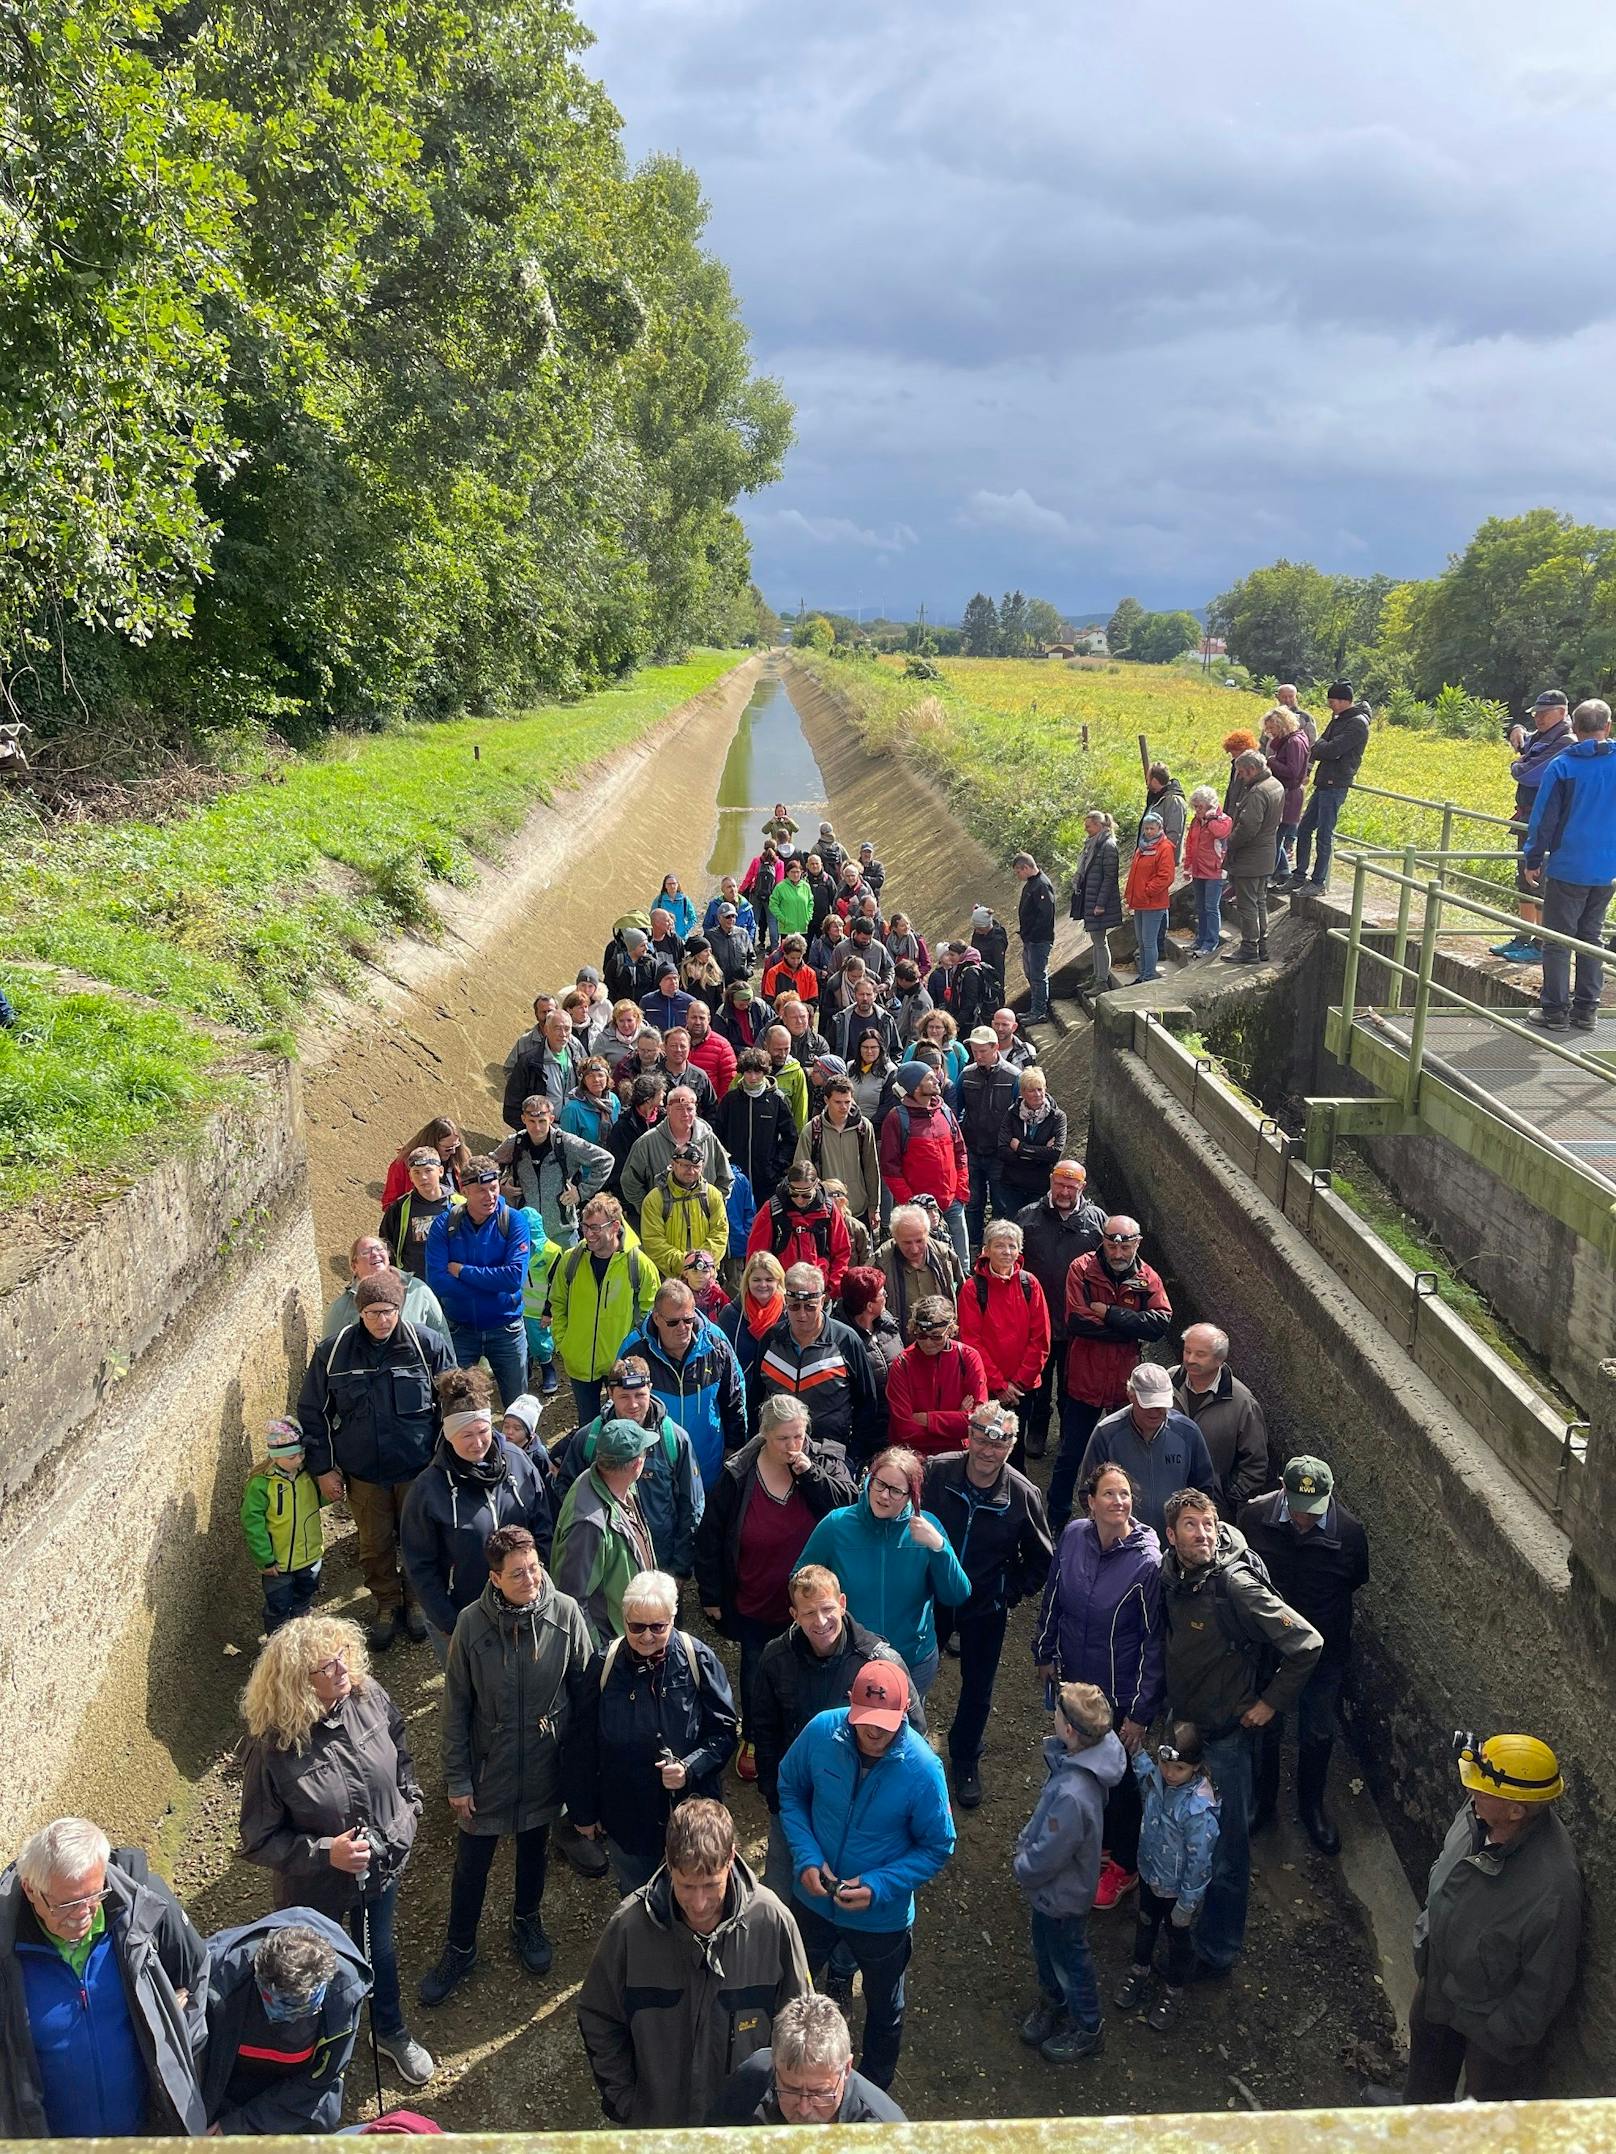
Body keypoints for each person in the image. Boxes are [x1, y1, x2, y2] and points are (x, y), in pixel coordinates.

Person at [238, 1617, 433, 2087]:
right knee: (316, 1970)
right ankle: (313, 2053)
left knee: (377, 1953)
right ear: (295, 1684)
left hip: (379, 1872)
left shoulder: (368, 1696)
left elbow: (402, 1760)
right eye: (324, 1665)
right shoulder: (272, 1747)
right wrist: (327, 1853)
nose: (341, 1668)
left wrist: (407, 1813)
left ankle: (389, 2030)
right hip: (313, 1891)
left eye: (342, 1654)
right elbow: (258, 1840)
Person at [415, 1525, 595, 2004]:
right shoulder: (471, 1626)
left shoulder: (566, 1614)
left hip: (543, 1764)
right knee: (472, 1865)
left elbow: (584, 1694)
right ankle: (460, 1946)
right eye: (517, 1574)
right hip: (488, 1769)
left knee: (534, 1851)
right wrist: (458, 1778)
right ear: (494, 1578)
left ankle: (526, 1922)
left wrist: (580, 1775)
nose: (531, 1579)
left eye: (534, 1567)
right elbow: (455, 1708)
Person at [1159, 1488, 1323, 1975]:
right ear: (1171, 1535)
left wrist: (1270, 1703)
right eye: (1191, 1525)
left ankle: (1218, 1950)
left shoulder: (1237, 1586)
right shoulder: (1171, 1575)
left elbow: (1308, 1644)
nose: (1203, 1533)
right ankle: (1177, 1914)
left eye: (1208, 1523)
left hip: (1226, 1737)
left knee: (1227, 1851)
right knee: (1176, 1825)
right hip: (1184, 1725)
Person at [577, 1799, 808, 2128]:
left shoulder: (773, 1923)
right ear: (669, 1864)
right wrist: (625, 2101)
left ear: (730, 1859)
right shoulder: (629, 1928)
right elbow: (598, 2016)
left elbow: (798, 2032)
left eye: (711, 1885)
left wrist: (774, 2109)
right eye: (687, 1886)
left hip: (744, 2132)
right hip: (658, 2129)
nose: (699, 1905)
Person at [778, 1661, 954, 2089]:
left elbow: (938, 1844)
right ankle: (785, 2077)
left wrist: (878, 1886)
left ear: (906, 1709)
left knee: (884, 2007)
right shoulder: (822, 1732)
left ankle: (873, 2092)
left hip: (881, 1919)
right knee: (786, 1991)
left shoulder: (923, 1769)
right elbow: (789, 1787)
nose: (874, 1733)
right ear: (850, 1705)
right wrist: (806, 1856)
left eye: (886, 1724)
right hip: (814, 1902)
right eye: (865, 1721)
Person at [1399, 1731, 1581, 2103]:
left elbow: (1544, 1988)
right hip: (1439, 1981)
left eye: (1482, 1789)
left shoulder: (1553, 1889)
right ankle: (1415, 2120)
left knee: (1483, 2113)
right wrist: (1427, 1939)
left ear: (1516, 1811)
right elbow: (1444, 1872)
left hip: (1489, 2027)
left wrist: (1498, 2033)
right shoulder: (1476, 1812)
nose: (1470, 1791)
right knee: (1425, 2074)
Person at [0, 1818, 209, 2137]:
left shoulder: (144, 1907)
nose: (83, 1914)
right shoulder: (7, 1953)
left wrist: (175, 2046)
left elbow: (195, 1977)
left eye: (93, 1896)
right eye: (67, 1904)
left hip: (148, 2133)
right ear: (31, 1888)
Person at [696, 1395, 857, 1772]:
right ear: (764, 1435)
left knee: (813, 1668)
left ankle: (807, 1739)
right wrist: (712, 1594)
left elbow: (847, 1507)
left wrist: (810, 1474)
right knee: (757, 1669)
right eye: (783, 1438)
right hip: (755, 1596)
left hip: (810, 1603)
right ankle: (754, 1736)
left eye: (799, 1436)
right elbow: (711, 1535)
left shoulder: (822, 1460)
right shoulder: (738, 1474)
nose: (793, 1446)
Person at [298, 1269, 455, 1650]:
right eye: (372, 1313)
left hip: (419, 1471)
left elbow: (453, 1404)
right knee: (374, 1544)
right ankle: (386, 1602)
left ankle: (417, 1599)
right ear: (359, 1313)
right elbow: (312, 1412)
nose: (381, 1320)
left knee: (423, 1538)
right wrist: (322, 1468)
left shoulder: (427, 1346)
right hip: (364, 1475)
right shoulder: (333, 1353)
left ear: (400, 1309)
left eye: (388, 1311)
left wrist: (447, 1464)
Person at [1034, 1460, 1164, 1912]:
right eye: (1108, 1494)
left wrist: (1140, 1713)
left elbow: (1154, 1642)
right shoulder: (1073, 1537)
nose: (1118, 1502)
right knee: (1079, 1769)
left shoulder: (1147, 1563)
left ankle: (1123, 1865)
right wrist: (1045, 1651)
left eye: (1125, 1494)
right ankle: (1094, 1843)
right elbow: (1054, 1596)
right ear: (1090, 1502)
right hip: (1076, 1685)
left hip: (1118, 1696)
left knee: (1122, 1782)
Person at [750, 1564, 923, 1897]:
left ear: (842, 1603)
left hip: (860, 1802)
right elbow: (764, 1731)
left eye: (827, 1609)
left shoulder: (879, 1662)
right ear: (793, 1615)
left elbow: (912, 1733)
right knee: (781, 1890)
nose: (820, 1621)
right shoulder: (775, 1659)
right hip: (798, 1796)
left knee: (854, 1889)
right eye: (809, 1612)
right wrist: (775, 1796)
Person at [565, 1572, 738, 1896]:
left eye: (657, 1627)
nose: (647, 1636)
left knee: (694, 1898)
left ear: (673, 1619)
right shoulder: (604, 1666)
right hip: (627, 1817)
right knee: (639, 1898)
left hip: (691, 1816)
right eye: (637, 1627)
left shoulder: (697, 1659)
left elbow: (725, 1732)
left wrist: (690, 1767)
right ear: (624, 1619)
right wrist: (583, 1811)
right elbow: (580, 1743)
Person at [1239, 1455, 1369, 1853]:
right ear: (1282, 1489)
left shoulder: (1349, 1534)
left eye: (1312, 1513)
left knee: (1318, 1729)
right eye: (1296, 1509)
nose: (1302, 1520)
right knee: (1264, 1725)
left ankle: (1312, 1807)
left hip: (1322, 1651)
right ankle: (1263, 1803)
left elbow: (1355, 1579)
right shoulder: (1254, 1518)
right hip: (1269, 1646)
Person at [923, 1404, 1052, 1807]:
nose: (987, 1450)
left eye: (999, 1443)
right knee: (912, 1674)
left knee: (977, 1687)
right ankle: (903, 1746)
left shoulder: (1022, 1495)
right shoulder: (934, 1474)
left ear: (1012, 1447)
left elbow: (1042, 1559)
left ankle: (964, 1758)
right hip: (931, 1599)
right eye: (981, 1438)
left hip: (985, 1607)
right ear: (968, 1436)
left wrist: (1004, 1592)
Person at [399, 1365, 553, 1667]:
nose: (477, 1442)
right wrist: (449, 1622)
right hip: (463, 1615)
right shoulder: (428, 1490)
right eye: (465, 1434)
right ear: (448, 1434)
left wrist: (541, 1582)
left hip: (525, 1602)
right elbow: (420, 1565)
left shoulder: (518, 1463)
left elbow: (543, 1523)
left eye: (483, 1431)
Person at [1014, 1680, 1126, 2066]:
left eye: (1058, 1715)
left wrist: (1024, 1865)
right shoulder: (1085, 1760)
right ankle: (1054, 2001)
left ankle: (1087, 2026)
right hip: (1056, 1893)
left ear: (1070, 1731)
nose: (1053, 1717)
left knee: (1069, 1958)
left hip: (1060, 1894)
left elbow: (1050, 1852)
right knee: (1049, 1951)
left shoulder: (1073, 1793)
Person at [798, 1446, 969, 1693]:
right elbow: (800, 1578)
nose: (884, 1495)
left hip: (912, 1660)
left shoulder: (927, 1528)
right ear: (869, 1479)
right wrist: (821, 1621)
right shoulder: (836, 1525)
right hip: (849, 1660)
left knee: (903, 1729)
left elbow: (957, 1594)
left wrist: (939, 1548)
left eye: (896, 1490)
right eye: (879, 1484)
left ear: (912, 1495)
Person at [1050, 1215, 1172, 1531]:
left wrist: (1110, 1314)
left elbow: (1160, 1324)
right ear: (1102, 1240)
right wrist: (1130, 1327)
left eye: (1125, 1246)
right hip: (1085, 1378)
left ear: (1137, 1244)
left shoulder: (1147, 1277)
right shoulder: (1082, 1269)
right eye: (1111, 1245)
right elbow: (1077, 1321)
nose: (1118, 1254)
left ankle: (1125, 1522)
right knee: (1070, 1455)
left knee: (1125, 1457)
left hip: (1123, 1384)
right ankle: (1055, 1520)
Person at [201, 1912, 371, 2134]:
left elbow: (320, 2078)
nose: (287, 2017)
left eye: (302, 2008)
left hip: (301, 2096)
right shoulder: (220, 1977)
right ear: (257, 1974)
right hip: (228, 2082)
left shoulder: (344, 1991)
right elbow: (199, 2064)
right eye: (276, 2002)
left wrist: (242, 2124)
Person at [1113, 1724, 1221, 2033]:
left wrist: (1186, 1905)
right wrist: (1135, 1752)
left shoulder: (1198, 1811)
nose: (1170, 1773)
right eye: (1165, 1764)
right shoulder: (1156, 1779)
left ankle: (1173, 1990)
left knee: (1178, 1942)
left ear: (1196, 1766)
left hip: (1177, 1892)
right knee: (1145, 1924)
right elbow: (1145, 1771)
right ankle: (1139, 1968)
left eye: (1179, 1768)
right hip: (1150, 1875)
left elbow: (1200, 1864)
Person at [555, 1354, 703, 1579]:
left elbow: (692, 1506)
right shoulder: (589, 1439)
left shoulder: (675, 1440)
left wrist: (679, 1570)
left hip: (660, 1565)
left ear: (651, 1389)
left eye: (640, 1395)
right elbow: (565, 1488)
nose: (633, 1405)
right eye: (624, 1396)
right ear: (610, 1393)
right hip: (609, 1567)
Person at [1523, 697, 1616, 1031]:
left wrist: (1533, 859)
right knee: (1592, 937)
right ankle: (1586, 1010)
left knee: (1559, 940)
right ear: (1607, 726)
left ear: (1574, 729)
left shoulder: (1563, 766)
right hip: (1606, 869)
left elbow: (1543, 819)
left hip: (1568, 865)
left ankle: (1554, 1011)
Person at [618, 1276, 747, 1493]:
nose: (683, 1328)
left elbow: (734, 1398)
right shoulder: (634, 1350)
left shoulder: (716, 1344)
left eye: (689, 1320)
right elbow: (618, 1406)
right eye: (673, 1322)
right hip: (653, 1468)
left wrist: (735, 1448)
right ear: (657, 1318)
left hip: (708, 1463)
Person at [423, 1155, 532, 1406]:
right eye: (481, 1191)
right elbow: (438, 1282)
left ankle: (521, 1447)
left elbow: (514, 1278)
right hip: (461, 1330)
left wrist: (463, 1272)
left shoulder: (514, 1221)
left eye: (493, 1188)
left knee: (518, 1405)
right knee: (459, 1405)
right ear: (464, 1191)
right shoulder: (445, 1224)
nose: (490, 1196)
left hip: (507, 1329)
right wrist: (494, 1285)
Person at [708, 1989, 906, 2123]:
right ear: (774, 2065)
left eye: (819, 2092)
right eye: (790, 2089)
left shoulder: (886, 2132)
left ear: (846, 2069)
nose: (803, 2109)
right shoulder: (752, 2079)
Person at [547, 1193, 658, 1426]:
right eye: (585, 1226)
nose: (588, 1233)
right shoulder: (571, 1260)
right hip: (578, 1360)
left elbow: (650, 1316)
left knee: (622, 1423)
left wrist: (632, 1353)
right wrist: (563, 1341)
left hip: (621, 1363)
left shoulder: (639, 1264)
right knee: (588, 1425)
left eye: (595, 1227)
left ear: (615, 1226)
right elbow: (557, 1301)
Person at [752, 1262, 879, 1464]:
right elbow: (755, 1399)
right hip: (778, 1454)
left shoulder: (846, 1340)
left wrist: (854, 1457)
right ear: (785, 1300)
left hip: (830, 1455)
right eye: (794, 1306)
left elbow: (867, 1404)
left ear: (822, 1301)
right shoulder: (771, 1339)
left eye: (810, 1307)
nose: (802, 1315)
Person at [1077, 1362, 1219, 1542]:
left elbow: (1203, 1490)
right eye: (1148, 1404)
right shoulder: (1106, 1434)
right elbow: (1088, 1492)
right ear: (1131, 1396)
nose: (1156, 1412)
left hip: (1176, 1547)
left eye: (1162, 1405)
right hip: (1123, 1545)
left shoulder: (1188, 1433)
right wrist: (1110, 1532)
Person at [549, 1416, 660, 1646]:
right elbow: (572, 1601)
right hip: (614, 1644)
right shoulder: (588, 1525)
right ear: (637, 1464)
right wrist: (600, 1655)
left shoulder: (611, 1482)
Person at [1494, 689, 1575, 962]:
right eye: (1536, 714)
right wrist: (1516, 728)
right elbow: (1522, 740)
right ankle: (1524, 936)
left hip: (1546, 821)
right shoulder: (1542, 735)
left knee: (1539, 879)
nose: (1538, 718)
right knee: (1524, 880)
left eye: (1544, 713)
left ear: (1562, 713)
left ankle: (1540, 944)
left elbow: (1529, 774)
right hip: (1527, 818)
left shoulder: (1565, 741)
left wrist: (1518, 764)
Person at [956, 1220, 1052, 1443]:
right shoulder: (973, 1289)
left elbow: (1040, 1338)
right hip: (987, 1387)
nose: (1006, 1252)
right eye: (999, 1245)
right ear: (986, 1250)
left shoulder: (1030, 1284)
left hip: (1022, 1388)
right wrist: (999, 1385)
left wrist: (1017, 1383)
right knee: (986, 1443)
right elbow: (972, 1342)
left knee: (1014, 1445)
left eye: (1012, 1245)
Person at [879, 1059, 970, 1269]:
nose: (937, 1079)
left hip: (952, 1202)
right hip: (920, 1212)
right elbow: (890, 1168)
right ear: (915, 1087)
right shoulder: (896, 1119)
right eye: (929, 1077)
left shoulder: (945, 1111)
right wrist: (911, 1205)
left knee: (962, 1263)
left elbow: (960, 1151)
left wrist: (961, 1191)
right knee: (925, 1264)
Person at [241, 1415, 327, 1634]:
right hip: (278, 1564)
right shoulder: (261, 1485)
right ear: (275, 1457)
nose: (298, 1460)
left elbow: (319, 1499)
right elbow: (253, 1524)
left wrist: (332, 1493)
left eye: (301, 1454)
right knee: (278, 1607)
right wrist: (265, 1559)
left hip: (309, 1556)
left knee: (304, 1599)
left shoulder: (306, 1475)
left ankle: (303, 1641)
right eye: (291, 1457)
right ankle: (277, 1646)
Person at [1172, 1324, 1270, 1517]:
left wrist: (1227, 1498)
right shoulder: (1167, 1382)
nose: (1190, 1360)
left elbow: (1256, 1463)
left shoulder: (1242, 1403)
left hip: (1208, 1508)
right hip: (1163, 1498)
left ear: (1220, 1359)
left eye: (1200, 1354)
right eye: (1187, 1351)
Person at [495, 1094, 612, 1250]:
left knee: (566, 1274)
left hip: (562, 1233)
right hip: (526, 1232)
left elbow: (605, 1160)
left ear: (551, 1118)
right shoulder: (515, 1143)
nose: (537, 1128)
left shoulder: (566, 1143)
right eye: (531, 1121)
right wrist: (500, 1187)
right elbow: (489, 1165)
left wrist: (581, 1192)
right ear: (523, 1119)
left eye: (542, 1121)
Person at [884, 1294, 987, 1462]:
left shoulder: (968, 1358)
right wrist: (957, 1418)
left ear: (951, 1330)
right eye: (921, 1336)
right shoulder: (902, 1364)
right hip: (914, 1459)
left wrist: (928, 1419)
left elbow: (978, 1420)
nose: (928, 1343)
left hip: (957, 1458)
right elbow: (904, 1430)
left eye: (936, 1336)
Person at [1292, 680, 1372, 894]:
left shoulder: (1356, 723)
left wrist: (1322, 748)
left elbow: (1329, 749)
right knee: (1305, 828)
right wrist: (1322, 748)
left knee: (1324, 834)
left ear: (1344, 701)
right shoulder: (1339, 719)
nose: (1330, 705)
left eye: (1332, 701)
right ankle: (1300, 874)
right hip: (1324, 781)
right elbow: (1319, 745)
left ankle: (1318, 882)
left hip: (1336, 783)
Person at [624, 1083, 732, 1222]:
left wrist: (714, 1208)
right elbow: (629, 1182)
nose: (685, 1114)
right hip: (664, 1226)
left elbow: (726, 1178)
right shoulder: (647, 1143)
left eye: (689, 1109)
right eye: (679, 1109)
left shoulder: (709, 1139)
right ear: (668, 1110)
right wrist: (650, 1211)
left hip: (703, 1223)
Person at [747, 1158, 852, 1296]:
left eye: (806, 1195)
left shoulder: (829, 1210)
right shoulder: (772, 1209)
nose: (799, 1200)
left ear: (816, 1186)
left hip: (819, 1290)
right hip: (781, 1290)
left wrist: (833, 1288)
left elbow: (842, 1252)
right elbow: (756, 1255)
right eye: (794, 1194)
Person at [958, 1025, 1019, 1248]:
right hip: (973, 1148)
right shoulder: (967, 1075)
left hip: (999, 1152)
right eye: (975, 1051)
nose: (978, 1055)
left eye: (982, 1051)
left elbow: (1018, 1115)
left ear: (995, 1048)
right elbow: (957, 1109)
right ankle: (974, 1244)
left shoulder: (1013, 1076)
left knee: (1000, 1203)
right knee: (973, 1202)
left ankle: (997, 1245)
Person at [321, 1233, 447, 1340]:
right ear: (354, 1266)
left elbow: (442, 1336)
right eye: (366, 1252)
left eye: (379, 1249)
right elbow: (328, 1354)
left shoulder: (418, 1291)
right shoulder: (342, 1308)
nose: (375, 1254)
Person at [1223, 750, 1285, 965]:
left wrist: (1228, 843)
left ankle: (1249, 947)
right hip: (1266, 854)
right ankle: (1261, 945)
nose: (1240, 776)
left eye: (1241, 772)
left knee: (1247, 904)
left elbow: (1248, 826)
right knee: (1259, 901)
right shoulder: (1275, 784)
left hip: (1251, 857)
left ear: (1251, 769)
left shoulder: (1258, 792)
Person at [638, 1139, 729, 1279]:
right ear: (673, 1164)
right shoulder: (655, 1199)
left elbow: (720, 1233)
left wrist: (701, 1262)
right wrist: (685, 1264)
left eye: (696, 1167)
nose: (691, 1171)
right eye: (685, 1166)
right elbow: (653, 1241)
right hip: (668, 1278)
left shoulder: (712, 1195)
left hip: (705, 1276)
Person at [874, 1200, 965, 1336]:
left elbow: (962, 1296)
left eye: (919, 1241)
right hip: (900, 1342)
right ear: (895, 1238)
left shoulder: (944, 1255)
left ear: (927, 1234)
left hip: (941, 1338)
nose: (915, 1249)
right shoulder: (881, 1262)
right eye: (906, 1243)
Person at [836, 1266, 903, 1438]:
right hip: (864, 1431)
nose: (886, 1296)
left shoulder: (888, 1325)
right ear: (869, 1305)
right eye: (882, 1293)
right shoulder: (841, 1340)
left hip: (895, 1422)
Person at [379, 1148, 458, 1279]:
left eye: (428, 1170)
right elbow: (386, 1244)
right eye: (416, 1172)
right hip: (412, 1283)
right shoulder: (400, 1207)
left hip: (450, 1283)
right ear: (410, 1176)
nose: (423, 1177)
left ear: (440, 1171)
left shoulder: (460, 1205)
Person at [996, 1066, 1067, 1209]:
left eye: (1040, 1089)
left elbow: (1055, 1153)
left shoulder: (1057, 1117)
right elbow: (1003, 1150)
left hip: (1040, 1186)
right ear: (1022, 1092)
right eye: (1031, 1090)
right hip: (1013, 1185)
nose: (1037, 1094)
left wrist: (1020, 1148)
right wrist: (1040, 1156)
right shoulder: (1012, 1114)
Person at [501, 1008, 584, 1127]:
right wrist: (534, 1131)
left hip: (572, 1130)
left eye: (567, 1029)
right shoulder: (529, 1062)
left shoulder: (578, 1058)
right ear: (546, 1030)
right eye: (557, 1028)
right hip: (542, 1133)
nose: (563, 1034)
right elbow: (511, 1109)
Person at [1070, 810, 1123, 992]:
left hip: (1100, 902)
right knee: (1097, 941)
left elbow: (1110, 878)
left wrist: (1100, 904)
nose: (1086, 830)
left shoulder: (1107, 846)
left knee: (1100, 942)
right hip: (1090, 899)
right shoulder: (1093, 845)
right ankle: (1097, 976)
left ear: (1099, 826)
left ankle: (1101, 980)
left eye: (1088, 826)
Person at [719, 1248, 787, 1390]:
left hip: (779, 1392)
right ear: (747, 1281)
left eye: (769, 1280)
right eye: (756, 1279)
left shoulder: (788, 1314)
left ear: (779, 1281)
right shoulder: (731, 1315)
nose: (763, 1285)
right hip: (742, 1393)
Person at [1261, 704, 1312, 891]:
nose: (1269, 732)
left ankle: (1265, 877)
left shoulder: (1294, 742)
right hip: (1285, 793)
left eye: (1272, 728)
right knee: (1276, 836)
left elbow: (1293, 771)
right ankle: (1282, 871)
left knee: (1274, 837)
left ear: (1281, 725)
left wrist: (1272, 761)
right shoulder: (1289, 740)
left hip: (1289, 796)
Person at [1124, 810, 1175, 984]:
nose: (1148, 832)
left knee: (1148, 941)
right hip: (1139, 901)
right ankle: (1144, 974)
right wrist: (1130, 895)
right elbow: (1134, 873)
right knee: (1141, 941)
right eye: (1146, 828)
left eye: (1152, 828)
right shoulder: (1142, 846)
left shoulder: (1165, 848)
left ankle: (1149, 974)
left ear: (1159, 828)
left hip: (1153, 903)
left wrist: (1147, 891)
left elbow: (1166, 876)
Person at [1183, 785, 1232, 958]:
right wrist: (1187, 865)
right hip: (1198, 870)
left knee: (1211, 907)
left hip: (1215, 871)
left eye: (1200, 807)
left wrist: (1210, 819)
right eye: (1195, 807)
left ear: (1210, 805)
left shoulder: (1222, 820)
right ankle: (1200, 939)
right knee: (1200, 907)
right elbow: (1190, 844)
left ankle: (1210, 943)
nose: (1197, 810)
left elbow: (1221, 833)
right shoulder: (1196, 821)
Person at [380, 1116, 468, 1208]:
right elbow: (389, 1203)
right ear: (432, 1143)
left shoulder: (460, 1157)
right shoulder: (402, 1165)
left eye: (456, 1145)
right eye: (448, 1148)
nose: (453, 1151)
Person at [1011, 850, 1057, 1024]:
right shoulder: (1032, 884)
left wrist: (1032, 934)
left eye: (1018, 872)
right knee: (1031, 974)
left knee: (1038, 975)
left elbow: (1045, 915)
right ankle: (1034, 1008)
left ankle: (1039, 1011)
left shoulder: (1041, 885)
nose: (1018, 875)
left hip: (1039, 939)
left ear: (1025, 867)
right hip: (1031, 939)